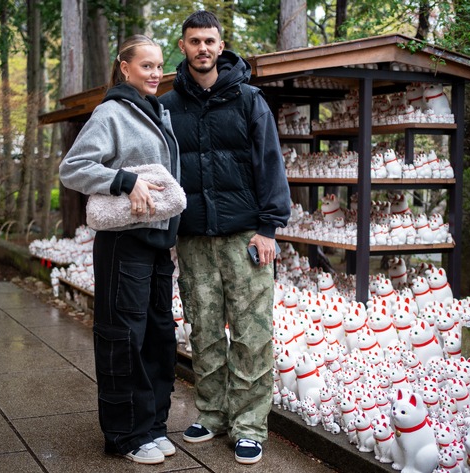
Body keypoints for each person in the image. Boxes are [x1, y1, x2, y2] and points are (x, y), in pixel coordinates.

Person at [159, 10, 290, 465]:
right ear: (183, 47)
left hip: (245, 238)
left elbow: (270, 163)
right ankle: (212, 414)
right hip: (194, 238)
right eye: (194, 41)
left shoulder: (249, 100)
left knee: (253, 333)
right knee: (205, 330)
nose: (203, 49)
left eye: (210, 41)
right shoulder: (169, 105)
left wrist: (269, 227)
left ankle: (249, 424)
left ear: (221, 45)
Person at [59, 35, 180, 465]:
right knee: (123, 337)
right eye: (145, 65)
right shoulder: (111, 113)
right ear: (124, 68)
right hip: (124, 243)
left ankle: (152, 425)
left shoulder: (158, 111)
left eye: (159, 66)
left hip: (157, 243)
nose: (154, 73)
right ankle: (125, 434)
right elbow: (73, 167)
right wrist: (125, 181)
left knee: (158, 337)